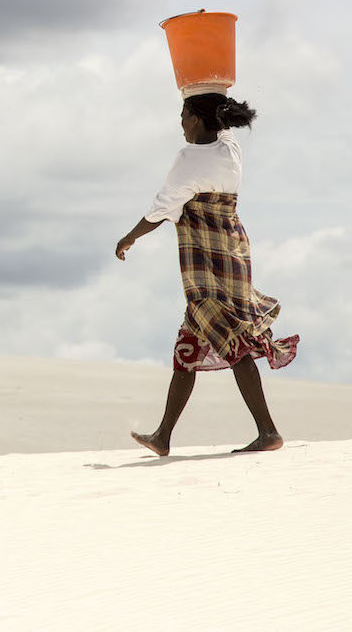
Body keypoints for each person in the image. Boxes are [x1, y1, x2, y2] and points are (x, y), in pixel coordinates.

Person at [115, 92, 299, 457]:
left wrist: (128, 238)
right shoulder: (230, 149)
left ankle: (268, 431)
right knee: (188, 347)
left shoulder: (188, 160)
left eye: (183, 115)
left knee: (233, 342)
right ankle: (163, 436)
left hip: (208, 270)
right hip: (232, 255)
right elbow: (222, 121)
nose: (180, 123)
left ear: (196, 120)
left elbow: (160, 210)